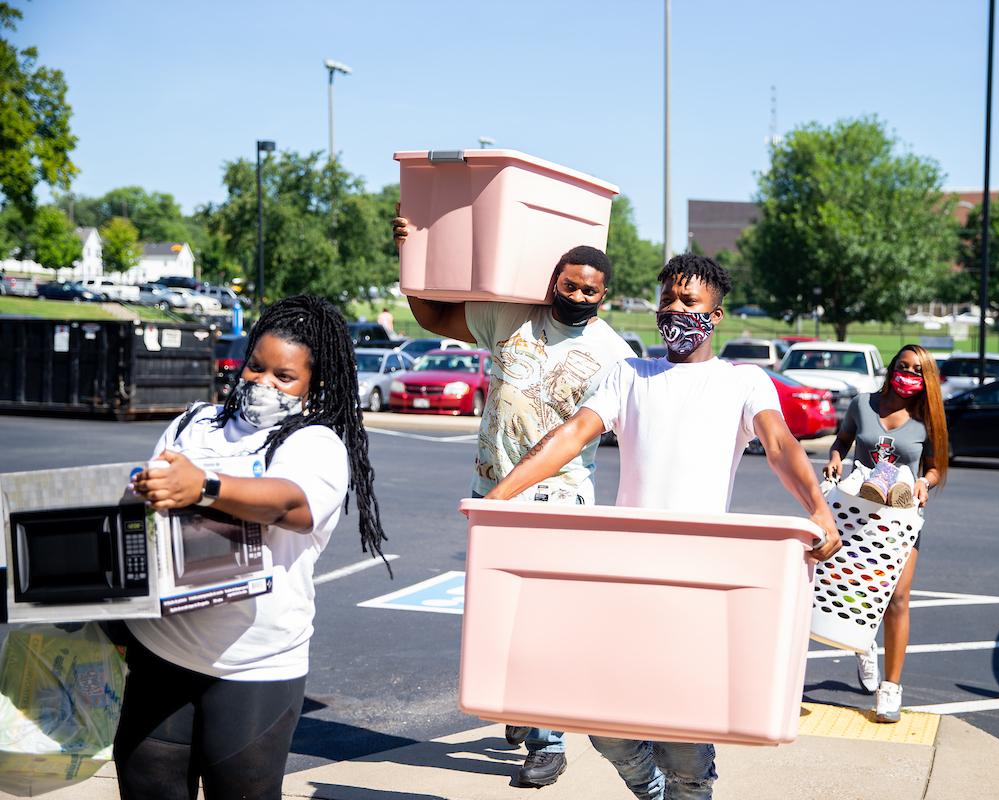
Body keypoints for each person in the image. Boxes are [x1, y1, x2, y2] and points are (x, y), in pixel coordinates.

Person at [485, 253, 842, 800]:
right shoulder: (629, 375)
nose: (675, 310)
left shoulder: (743, 382)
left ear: (715, 315)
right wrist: (499, 498)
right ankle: (650, 789)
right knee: (603, 722)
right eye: (668, 300)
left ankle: (688, 792)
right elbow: (568, 438)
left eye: (689, 301)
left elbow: (779, 446)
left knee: (681, 733)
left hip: (697, 582)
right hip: (626, 574)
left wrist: (817, 507)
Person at [392, 205, 635, 786]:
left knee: (545, 621)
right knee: (498, 615)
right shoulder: (508, 316)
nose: (578, 295)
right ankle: (523, 709)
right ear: (553, 281)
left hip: (560, 501)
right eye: (569, 285)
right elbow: (431, 315)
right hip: (491, 492)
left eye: (589, 290)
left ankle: (547, 742)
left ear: (604, 294)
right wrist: (409, 251)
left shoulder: (614, 354)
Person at [119, 295, 387, 800]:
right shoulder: (193, 423)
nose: (262, 382)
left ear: (316, 386)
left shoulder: (314, 445)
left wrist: (206, 485)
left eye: (283, 376)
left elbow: (290, 505)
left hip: (254, 668)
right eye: (256, 367)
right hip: (162, 652)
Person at [821, 344, 949, 723]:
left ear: (926, 381)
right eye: (903, 367)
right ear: (892, 368)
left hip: (900, 517)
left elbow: (937, 467)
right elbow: (842, 441)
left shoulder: (928, 420)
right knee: (853, 588)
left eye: (917, 371)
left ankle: (890, 687)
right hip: (857, 511)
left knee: (897, 597)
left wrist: (925, 482)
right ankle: (863, 645)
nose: (908, 375)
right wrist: (834, 458)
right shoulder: (863, 404)